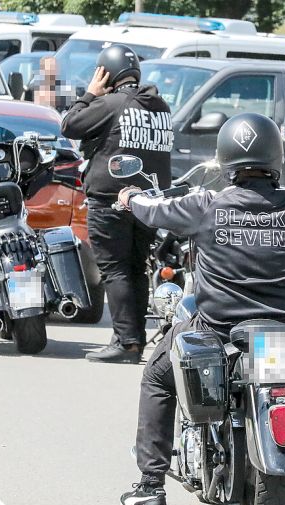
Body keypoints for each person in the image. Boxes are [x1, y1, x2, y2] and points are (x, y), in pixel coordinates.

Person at [117, 113, 285, 505]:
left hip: (218, 329)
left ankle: (150, 486)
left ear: (226, 157)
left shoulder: (205, 206)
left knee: (158, 377)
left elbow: (152, 209)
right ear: (277, 157)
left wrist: (128, 198)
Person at [61, 44, 174, 364]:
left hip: (111, 201)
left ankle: (125, 341)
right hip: (150, 203)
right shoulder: (160, 106)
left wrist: (90, 94)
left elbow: (70, 124)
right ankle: (133, 338)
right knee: (136, 268)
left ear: (105, 74)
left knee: (114, 269)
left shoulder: (111, 103)